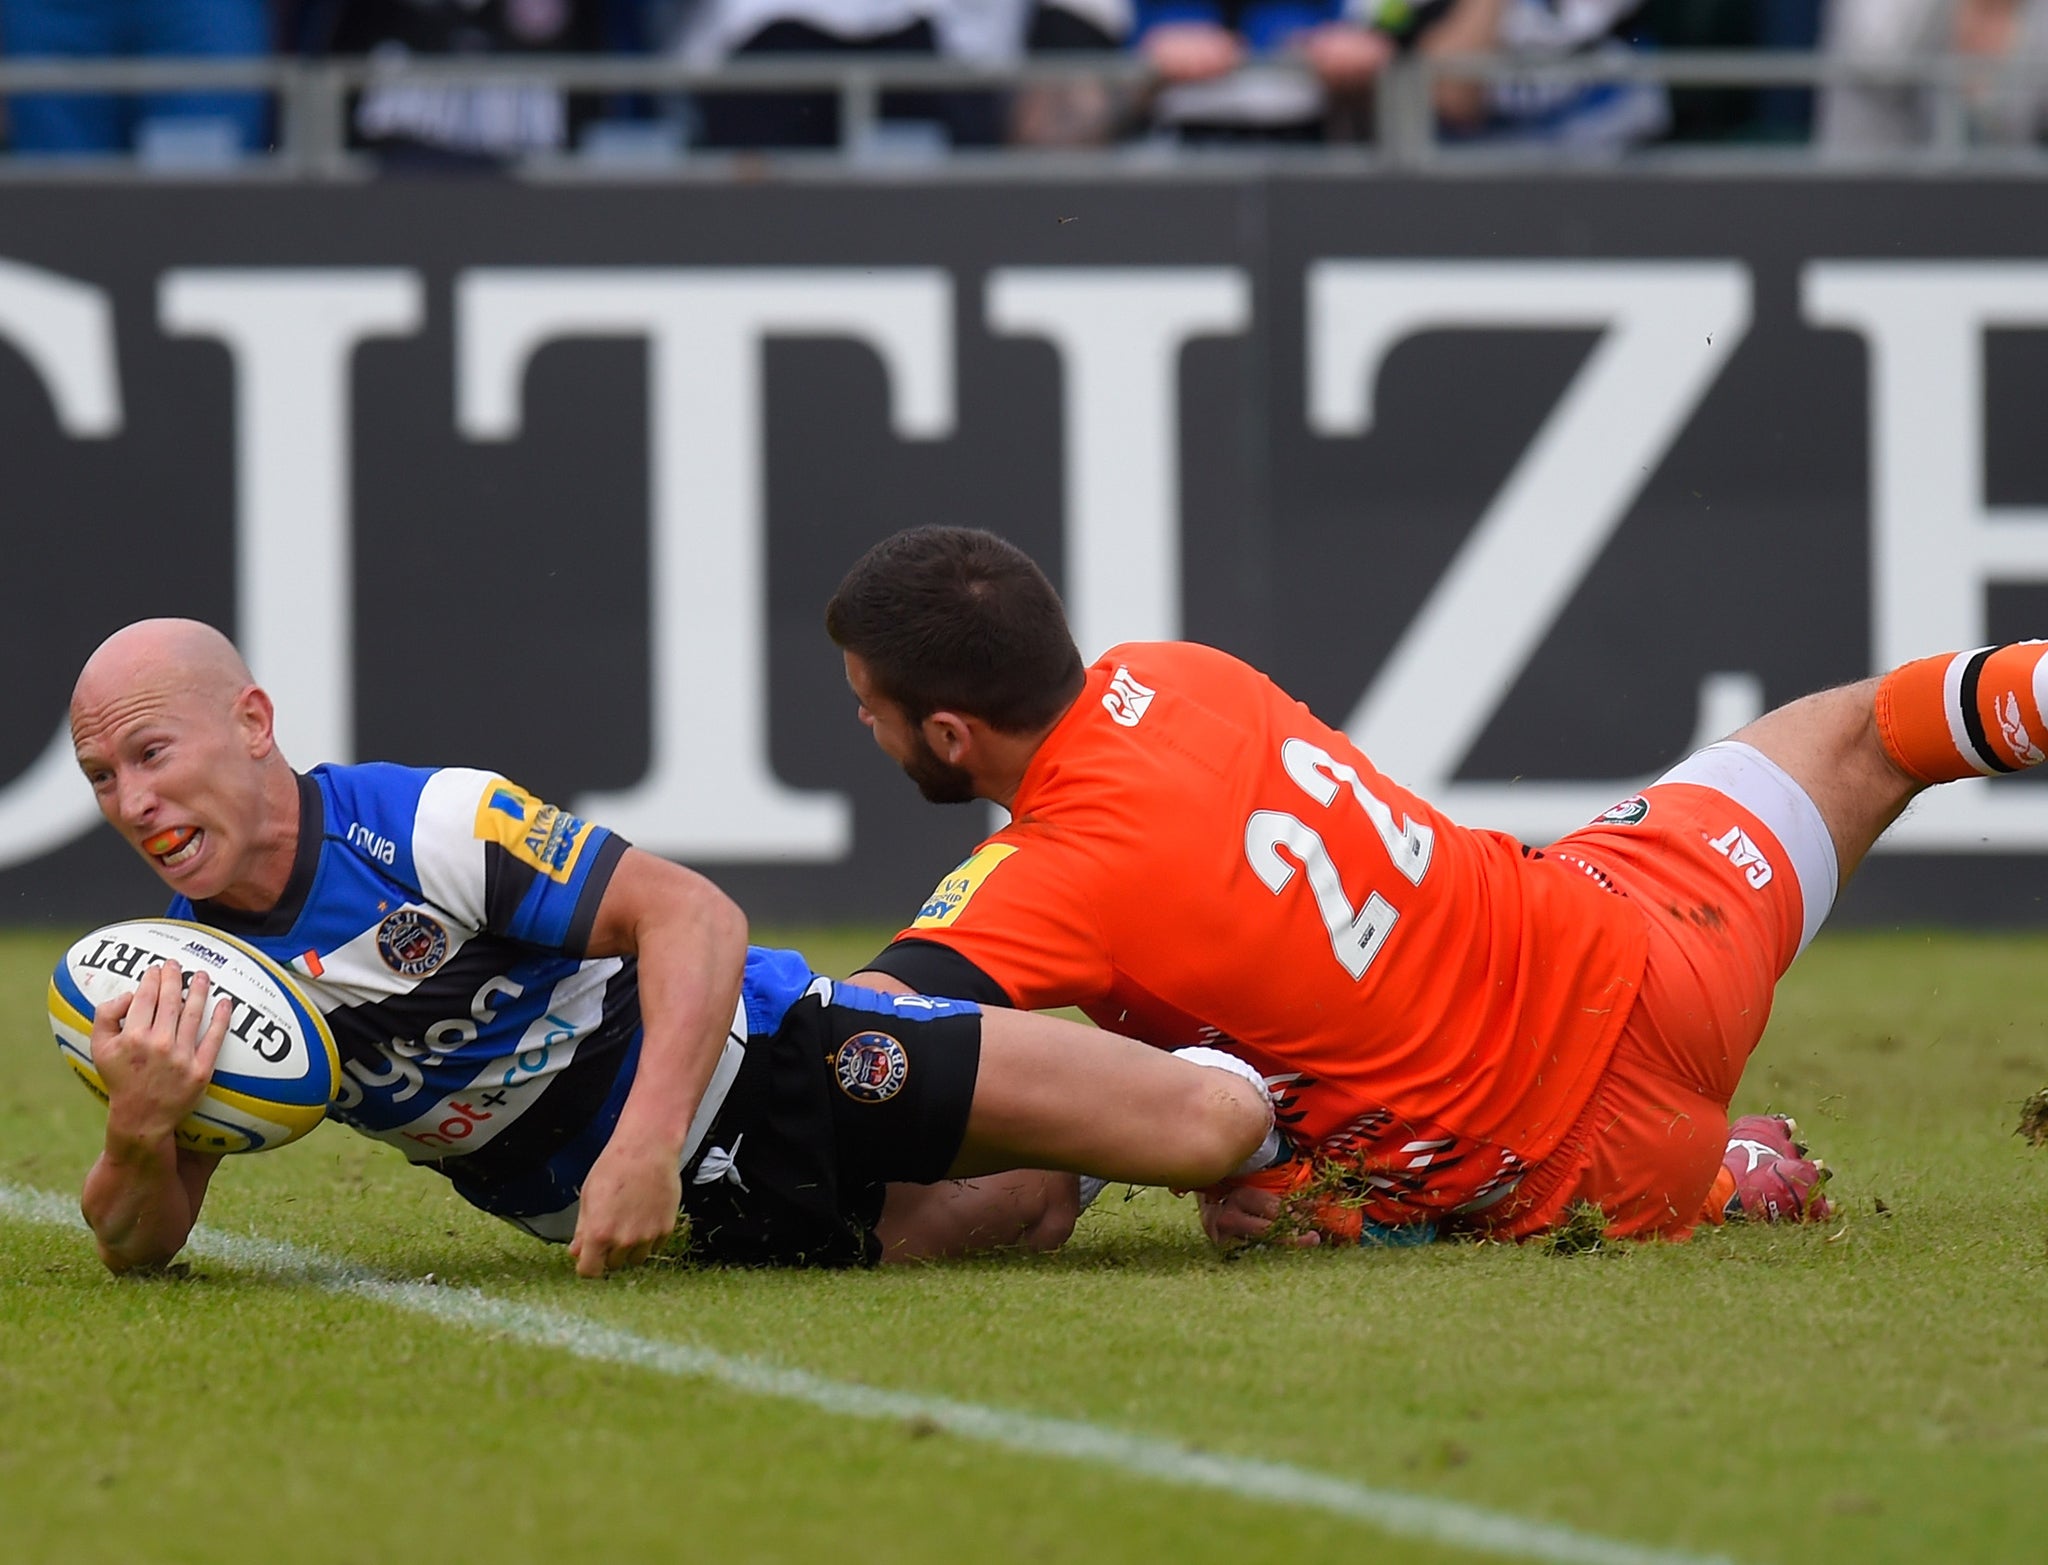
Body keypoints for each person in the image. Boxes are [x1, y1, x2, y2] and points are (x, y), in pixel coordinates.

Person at [824, 525, 2022, 1251]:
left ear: (944, 733)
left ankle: (1724, 1183)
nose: (859, 721)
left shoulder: (1049, 874)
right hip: (1645, 939)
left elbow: (858, 1043)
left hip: (1572, 1160)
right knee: (1871, 730)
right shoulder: (1173, 671)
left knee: (1256, 1190)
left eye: (865, 706)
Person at [66, 619, 1276, 1277]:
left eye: (152, 754)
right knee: (1023, 1213)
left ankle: (1276, 1080)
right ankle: (1064, 1144)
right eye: (102, 777)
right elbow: (139, 1245)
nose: (132, 799)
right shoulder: (191, 979)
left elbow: (689, 914)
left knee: (1211, 1131)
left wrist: (638, 1146)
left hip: (774, 1053)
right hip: (702, 1214)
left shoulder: (422, 824)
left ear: (253, 722)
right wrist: (141, 1128)